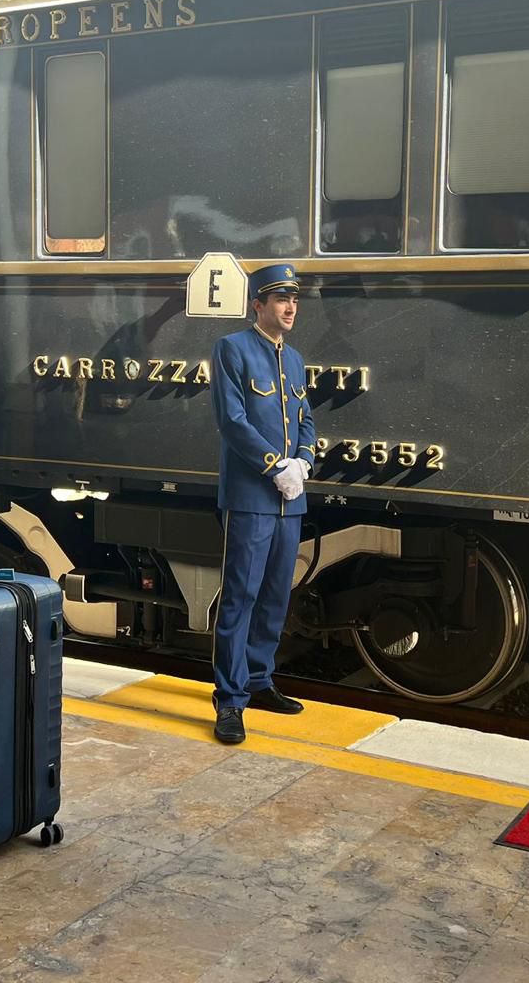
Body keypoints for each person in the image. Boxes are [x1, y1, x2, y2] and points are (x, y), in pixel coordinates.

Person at [208, 262, 318, 745]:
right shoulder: (232, 349)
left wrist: (305, 464)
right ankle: (229, 700)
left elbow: (306, 419)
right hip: (252, 496)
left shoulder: (292, 359)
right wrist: (276, 466)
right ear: (258, 304)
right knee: (240, 598)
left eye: (294, 300)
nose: (290, 307)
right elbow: (232, 422)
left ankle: (258, 680)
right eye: (279, 299)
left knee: (275, 597)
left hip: (289, 500)